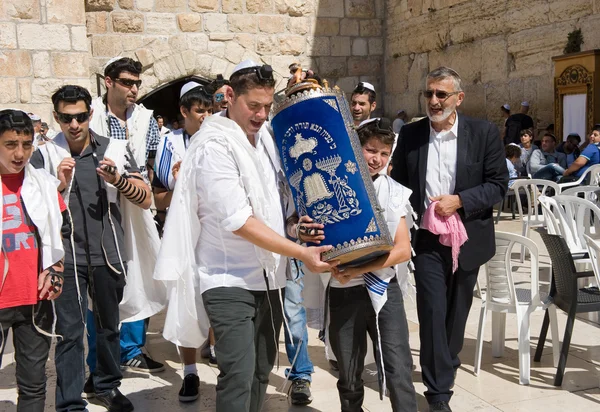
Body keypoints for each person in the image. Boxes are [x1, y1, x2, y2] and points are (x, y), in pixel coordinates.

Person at [154, 60, 337, 412]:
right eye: (253, 106)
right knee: (238, 373)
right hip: (227, 279)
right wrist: (300, 253)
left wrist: (298, 229)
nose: (261, 114)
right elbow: (240, 220)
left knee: (260, 372)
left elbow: (278, 210)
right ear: (229, 97)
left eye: (267, 106)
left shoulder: (266, 140)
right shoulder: (213, 146)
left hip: (269, 278)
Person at [391, 67, 508, 412]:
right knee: (431, 310)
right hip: (426, 240)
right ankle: (438, 393)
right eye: (429, 93)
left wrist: (460, 200)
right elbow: (397, 182)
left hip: (468, 240)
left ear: (459, 98)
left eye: (441, 94)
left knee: (456, 316)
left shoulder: (483, 133)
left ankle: (446, 360)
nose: (433, 100)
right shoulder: (411, 135)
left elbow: (499, 184)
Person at [29, 85, 153, 412]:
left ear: (90, 114)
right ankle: (70, 402)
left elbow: (145, 196)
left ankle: (106, 385)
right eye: (67, 118)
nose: (74, 125)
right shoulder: (44, 154)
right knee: (70, 332)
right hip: (65, 257)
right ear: (56, 117)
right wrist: (57, 184)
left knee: (109, 327)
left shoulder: (115, 148)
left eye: (81, 117)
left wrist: (119, 181)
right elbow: (33, 208)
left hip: (107, 255)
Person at [329, 118, 417, 412]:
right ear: (356, 148)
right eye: (370, 150)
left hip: (383, 288)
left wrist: (358, 269)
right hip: (344, 290)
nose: (376, 159)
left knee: (398, 365)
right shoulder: (335, 184)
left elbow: (403, 250)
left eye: (383, 153)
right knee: (349, 369)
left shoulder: (395, 192)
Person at [88, 56, 164, 375]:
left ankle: (132, 347)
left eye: (137, 83)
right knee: (101, 282)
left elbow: (150, 165)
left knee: (140, 272)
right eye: (127, 82)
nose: (134, 89)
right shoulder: (89, 114)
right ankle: (99, 359)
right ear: (109, 82)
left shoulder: (145, 119)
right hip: (97, 206)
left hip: (135, 203)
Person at [0, 109, 66, 412]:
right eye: (11, 144)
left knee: (33, 384)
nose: (20, 153)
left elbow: (60, 229)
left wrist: (55, 270)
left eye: (27, 144)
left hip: (33, 299)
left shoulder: (43, 183)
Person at [152, 81, 214, 403]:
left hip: (216, 235)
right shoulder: (170, 144)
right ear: (184, 112)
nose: (204, 116)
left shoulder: (219, 139)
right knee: (186, 301)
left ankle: (215, 348)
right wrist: (182, 184)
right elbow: (159, 196)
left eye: (208, 110)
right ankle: (190, 372)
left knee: (218, 295)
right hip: (183, 235)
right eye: (198, 110)